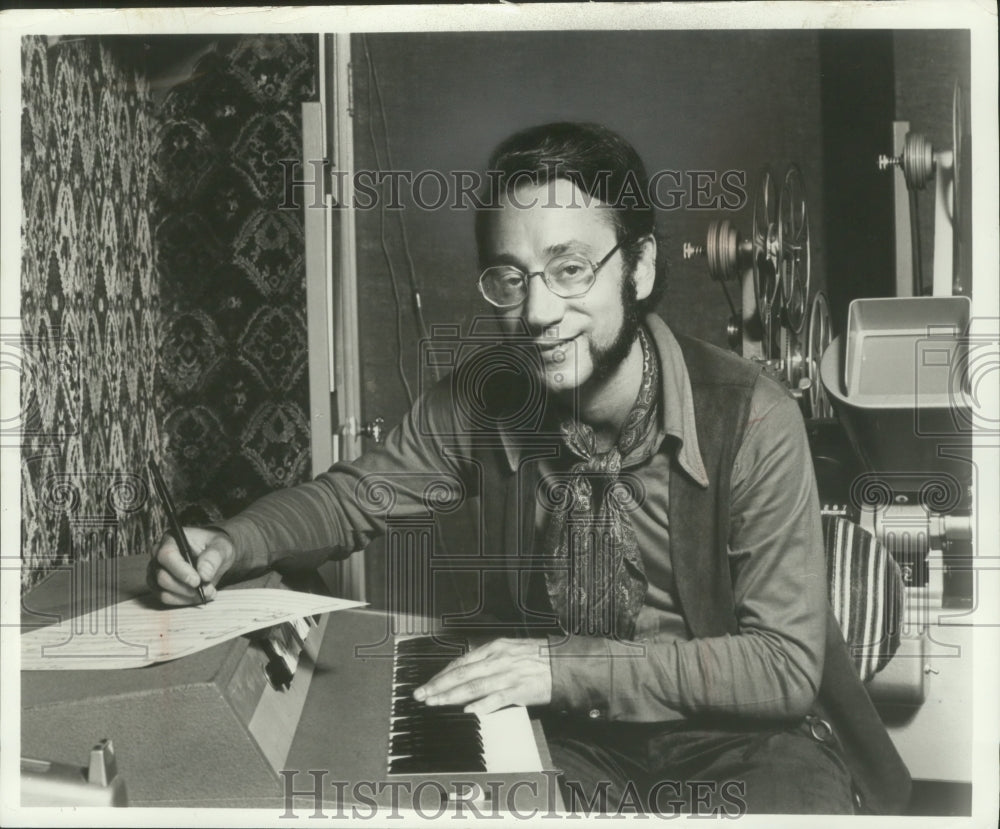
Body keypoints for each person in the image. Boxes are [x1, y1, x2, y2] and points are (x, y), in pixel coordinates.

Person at [150, 122, 910, 815]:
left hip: (743, 744)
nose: (537, 312)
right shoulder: (490, 398)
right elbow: (351, 500)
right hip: (572, 741)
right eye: (511, 278)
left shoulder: (754, 415)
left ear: (639, 268)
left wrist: (561, 666)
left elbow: (779, 666)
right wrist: (232, 541)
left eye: (570, 268)